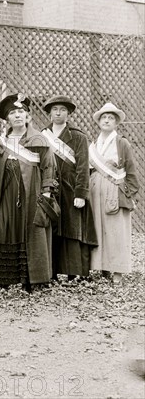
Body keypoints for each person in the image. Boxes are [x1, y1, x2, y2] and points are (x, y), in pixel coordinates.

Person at [0, 94, 57, 291]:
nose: (17, 116)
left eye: (21, 112)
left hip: (32, 192)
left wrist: (46, 191)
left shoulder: (39, 139)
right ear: (7, 119)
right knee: (6, 228)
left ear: (27, 116)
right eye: (13, 113)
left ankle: (33, 279)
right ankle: (7, 277)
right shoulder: (1, 142)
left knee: (31, 231)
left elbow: (49, 167)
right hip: (7, 192)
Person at [41, 95, 97, 282]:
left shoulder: (78, 136)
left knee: (73, 230)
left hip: (71, 189)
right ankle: (52, 272)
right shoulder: (42, 135)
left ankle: (74, 273)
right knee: (52, 229)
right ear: (49, 112)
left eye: (63, 109)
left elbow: (83, 167)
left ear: (69, 113)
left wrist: (80, 193)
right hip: (50, 188)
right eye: (55, 109)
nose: (58, 113)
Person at [88, 102, 139, 284]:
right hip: (95, 191)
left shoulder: (122, 142)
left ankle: (118, 271)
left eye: (111, 118)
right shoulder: (94, 143)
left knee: (116, 231)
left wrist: (131, 194)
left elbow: (131, 170)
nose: (107, 120)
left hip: (115, 191)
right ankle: (103, 268)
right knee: (99, 229)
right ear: (99, 121)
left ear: (116, 122)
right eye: (104, 117)